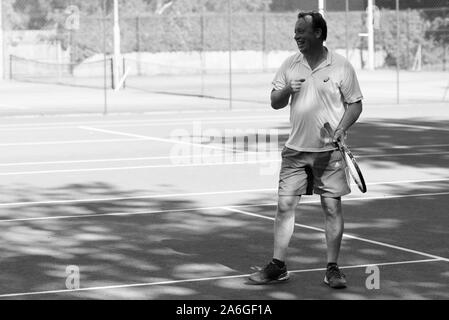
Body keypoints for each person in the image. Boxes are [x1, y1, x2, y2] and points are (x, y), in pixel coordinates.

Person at [249, 11, 363, 289]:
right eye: (296, 31)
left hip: (328, 152)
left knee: (332, 207)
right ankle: (278, 265)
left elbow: (355, 104)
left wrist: (341, 128)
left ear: (319, 34)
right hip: (295, 151)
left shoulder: (341, 67)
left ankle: (332, 268)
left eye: (302, 31)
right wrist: (288, 89)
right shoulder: (290, 64)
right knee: (284, 206)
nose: (296, 35)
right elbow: (275, 102)